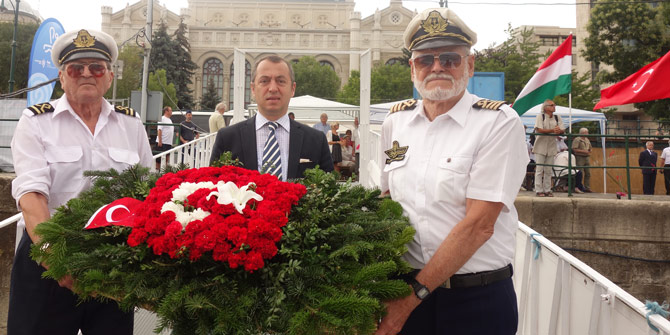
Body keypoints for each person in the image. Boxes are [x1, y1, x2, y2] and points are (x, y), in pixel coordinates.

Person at [377, 8, 528, 335]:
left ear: (469, 65)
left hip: (476, 300)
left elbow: (479, 226)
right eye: (425, 60)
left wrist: (411, 297)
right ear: (412, 69)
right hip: (403, 290)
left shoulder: (498, 124)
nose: (437, 68)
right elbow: (387, 199)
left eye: (450, 59)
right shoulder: (395, 123)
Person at [8, 28, 154, 335]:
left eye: (96, 67)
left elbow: (147, 192)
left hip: (112, 259)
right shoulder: (36, 122)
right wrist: (54, 257)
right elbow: (31, 193)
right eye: (76, 68)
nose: (86, 73)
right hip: (47, 254)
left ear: (109, 77)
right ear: (62, 77)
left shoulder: (131, 124)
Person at [209, 55, 333, 180]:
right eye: (264, 81)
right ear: (253, 88)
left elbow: (329, 193)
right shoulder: (227, 138)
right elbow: (213, 188)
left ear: (292, 89)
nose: (273, 88)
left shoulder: (316, 141)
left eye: (281, 81)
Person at [533, 99, 564, 197]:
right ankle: (538, 189)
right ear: (546, 107)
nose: (554, 107)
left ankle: (547, 189)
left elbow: (562, 130)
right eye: (552, 105)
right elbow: (539, 129)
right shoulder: (540, 116)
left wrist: (559, 131)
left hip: (551, 146)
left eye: (554, 105)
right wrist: (553, 130)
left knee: (548, 170)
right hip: (540, 146)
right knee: (539, 169)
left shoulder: (557, 117)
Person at [572, 127, 593, 192]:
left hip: (587, 157)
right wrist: (584, 151)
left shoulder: (587, 140)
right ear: (583, 133)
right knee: (579, 172)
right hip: (579, 157)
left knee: (588, 173)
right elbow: (574, 149)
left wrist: (590, 151)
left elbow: (590, 147)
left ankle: (587, 187)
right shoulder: (577, 139)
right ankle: (579, 186)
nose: (588, 134)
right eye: (586, 132)